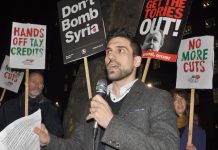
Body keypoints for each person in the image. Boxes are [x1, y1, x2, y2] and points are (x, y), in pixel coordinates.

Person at [34, 28, 179, 150]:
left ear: (137, 61)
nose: (111, 56)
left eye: (120, 51)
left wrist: (111, 123)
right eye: (108, 52)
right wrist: (49, 141)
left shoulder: (157, 98)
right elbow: (78, 144)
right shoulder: (95, 101)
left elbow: (168, 146)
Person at [0, 71, 63, 137]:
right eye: (33, 82)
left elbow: (58, 133)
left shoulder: (49, 108)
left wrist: (44, 133)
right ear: (26, 84)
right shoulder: (9, 106)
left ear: (43, 86)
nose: (37, 85)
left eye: (40, 83)